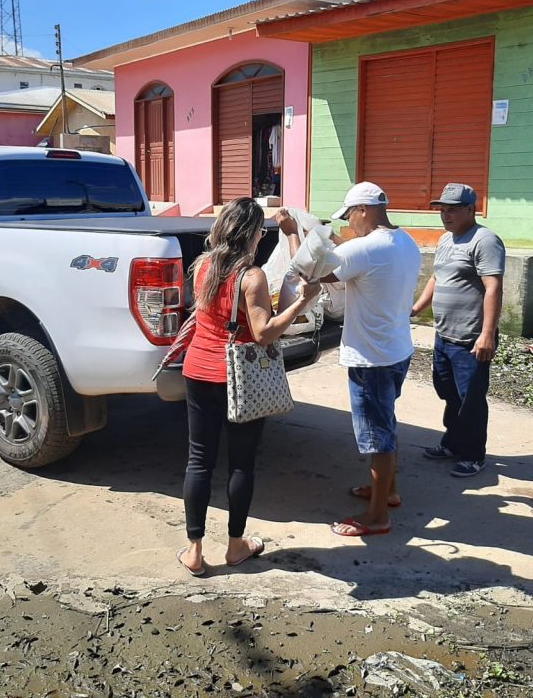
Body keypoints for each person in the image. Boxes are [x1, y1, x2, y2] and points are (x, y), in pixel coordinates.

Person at [177, 197, 321, 576]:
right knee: (240, 463)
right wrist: (300, 304)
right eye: (261, 232)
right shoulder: (251, 275)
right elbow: (262, 333)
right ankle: (236, 545)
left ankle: (194, 550)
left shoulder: (202, 266)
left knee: (199, 460)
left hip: (197, 369)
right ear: (254, 235)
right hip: (237, 377)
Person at [280, 182, 420, 537]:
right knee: (386, 424)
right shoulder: (406, 242)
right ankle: (388, 492)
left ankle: (377, 517)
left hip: (370, 358)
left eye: (350, 217)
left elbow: (306, 272)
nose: (348, 225)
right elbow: (353, 254)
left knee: (377, 437)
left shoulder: (364, 249)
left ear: (363, 211)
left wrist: (293, 233)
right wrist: (328, 239)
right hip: (397, 349)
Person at [411, 183, 505, 477]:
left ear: (470, 209)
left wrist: (487, 334)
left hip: (471, 339)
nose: (445, 215)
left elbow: (493, 288)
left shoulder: (485, 240)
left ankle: (474, 454)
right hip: (444, 335)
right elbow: (436, 279)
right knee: (448, 393)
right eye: (442, 209)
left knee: (471, 400)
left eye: (452, 209)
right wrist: (416, 309)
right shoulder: (446, 240)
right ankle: (452, 442)